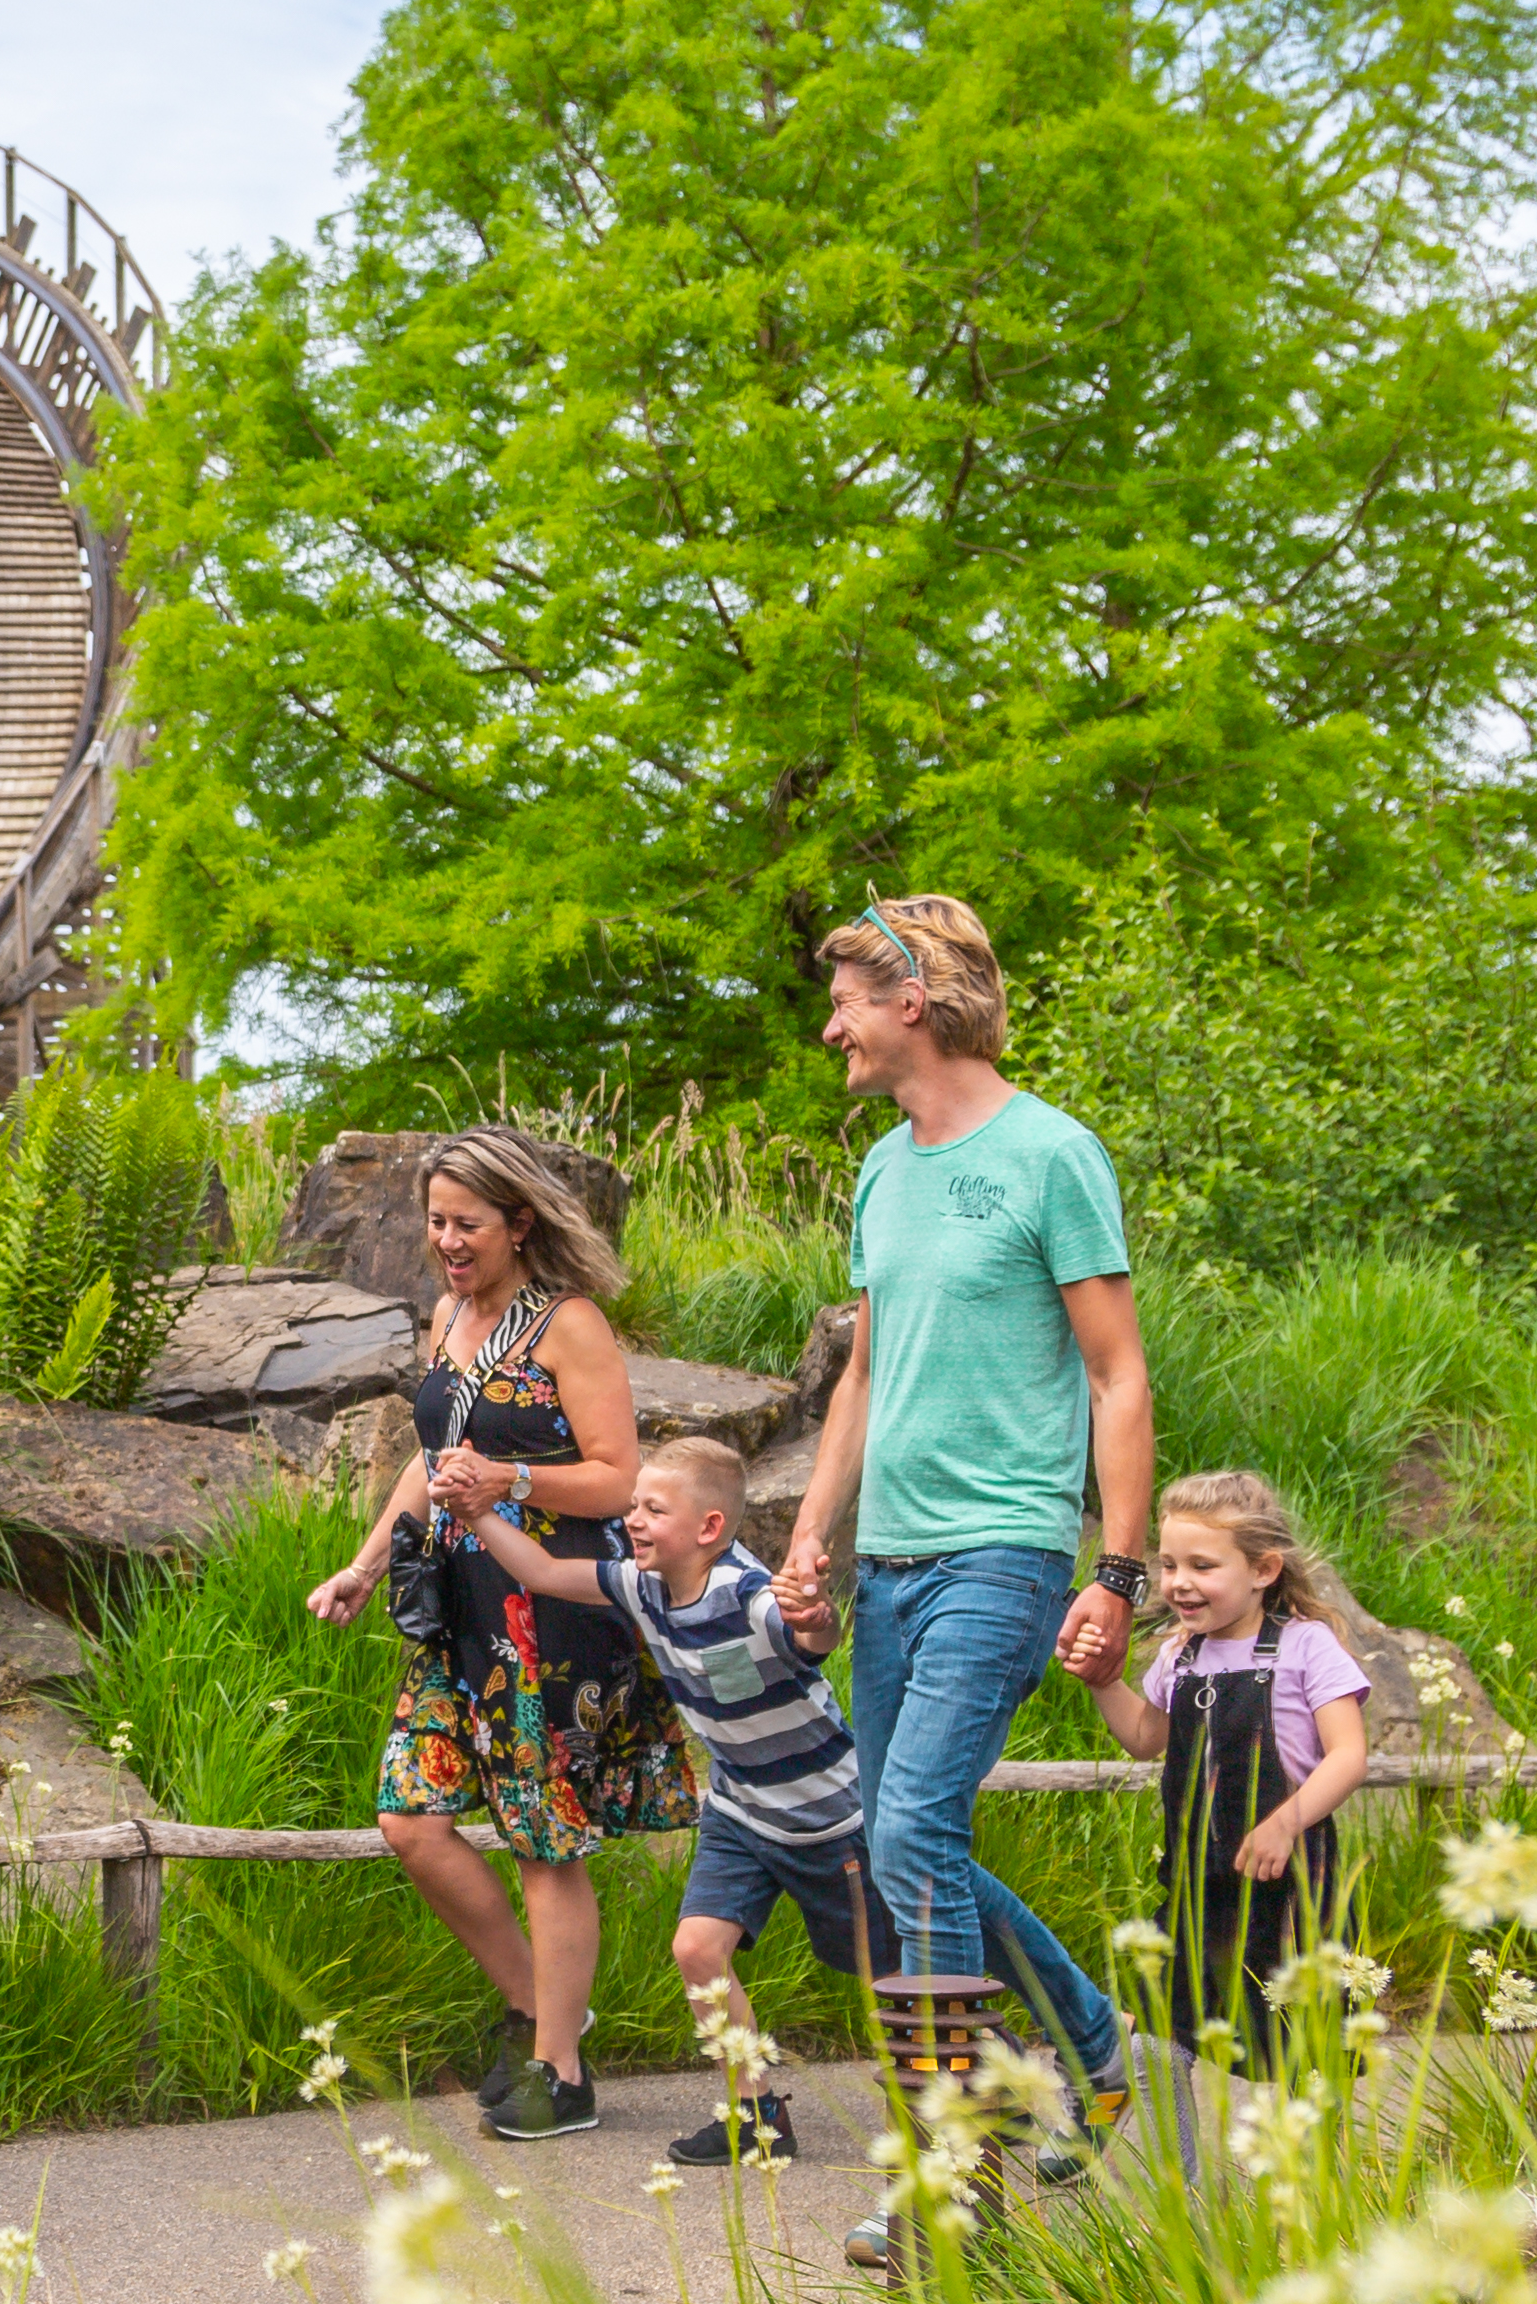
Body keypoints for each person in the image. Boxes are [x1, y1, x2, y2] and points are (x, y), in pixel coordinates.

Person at [770, 894, 1144, 2190]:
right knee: (892, 1836)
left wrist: (1119, 1573)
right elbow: (864, 1374)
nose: (834, 1031)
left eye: (850, 1005)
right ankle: (1091, 2045)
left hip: (1006, 1548)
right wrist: (810, 1537)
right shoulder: (882, 1171)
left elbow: (1118, 1379)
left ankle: (948, 2160)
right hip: (892, 1566)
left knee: (912, 1828)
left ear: (913, 1005)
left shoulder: (1053, 1156)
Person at [305, 1132, 684, 2141]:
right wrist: (364, 1562)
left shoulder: (571, 1325)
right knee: (411, 1818)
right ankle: (542, 2006)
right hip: (455, 1615)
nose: (447, 1240)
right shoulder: (449, 1316)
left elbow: (616, 1474)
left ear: (520, 1221)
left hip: (547, 1613)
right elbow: (432, 1461)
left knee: (541, 1838)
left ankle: (559, 2070)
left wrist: (511, 1479)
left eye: (467, 1222)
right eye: (435, 1221)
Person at [453, 1433, 874, 2183]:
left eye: (653, 1508)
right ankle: (757, 2116)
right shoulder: (642, 1587)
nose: (634, 1520)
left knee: (884, 1965)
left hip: (828, 1817)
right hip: (742, 1812)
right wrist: (480, 1507)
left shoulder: (748, 1594)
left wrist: (812, 1610)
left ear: (709, 1529)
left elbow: (813, 1635)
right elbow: (545, 1570)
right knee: (696, 1949)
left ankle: (970, 2077)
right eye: (634, 1506)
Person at [1081, 1467, 1382, 2077]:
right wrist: (1103, 1682)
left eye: (1202, 1567)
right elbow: (1145, 1739)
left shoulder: (1306, 1646)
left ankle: (1308, 2172)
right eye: (1168, 1566)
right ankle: (1177, 2172)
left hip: (1293, 1884)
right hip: (1198, 1883)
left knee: (1306, 2051)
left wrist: (1283, 1824)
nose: (1179, 1584)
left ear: (1263, 1571)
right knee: (1158, 2032)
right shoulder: (1179, 1655)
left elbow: (1349, 1756)